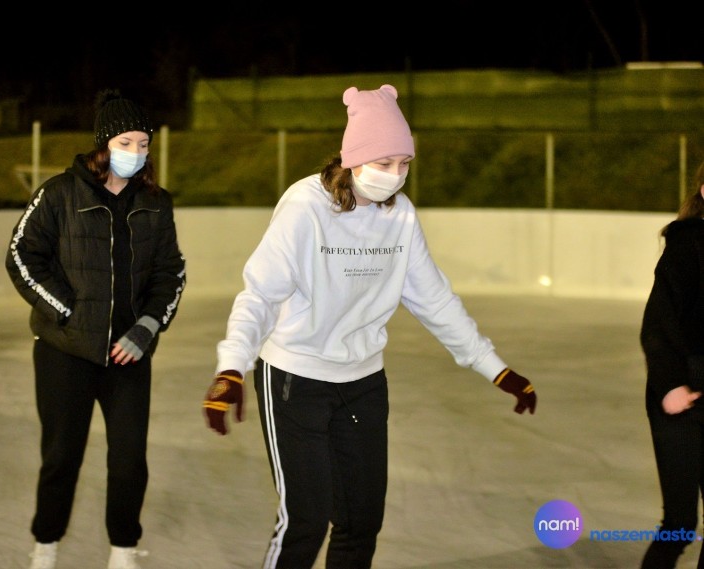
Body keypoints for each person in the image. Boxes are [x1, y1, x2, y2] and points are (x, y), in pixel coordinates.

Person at [201, 84, 537, 569]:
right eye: (384, 163)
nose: (395, 176)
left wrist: (495, 368)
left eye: (404, 164)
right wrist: (231, 366)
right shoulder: (305, 207)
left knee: (361, 523)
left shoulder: (399, 216)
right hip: (296, 380)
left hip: (362, 384)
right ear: (354, 158)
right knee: (306, 521)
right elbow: (260, 294)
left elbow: (435, 299)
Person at [5, 88, 186, 569]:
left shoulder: (156, 203)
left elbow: (172, 273)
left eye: (144, 144)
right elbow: (22, 256)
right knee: (62, 456)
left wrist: (146, 328)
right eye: (127, 142)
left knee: (129, 460)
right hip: (65, 351)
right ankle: (46, 543)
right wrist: (66, 313)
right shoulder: (58, 194)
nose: (137, 152)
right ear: (104, 145)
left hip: (128, 355)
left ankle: (123, 549)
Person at [640, 159, 704, 569]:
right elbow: (657, 326)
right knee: (681, 523)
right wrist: (671, 385)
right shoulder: (687, 244)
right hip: (682, 392)